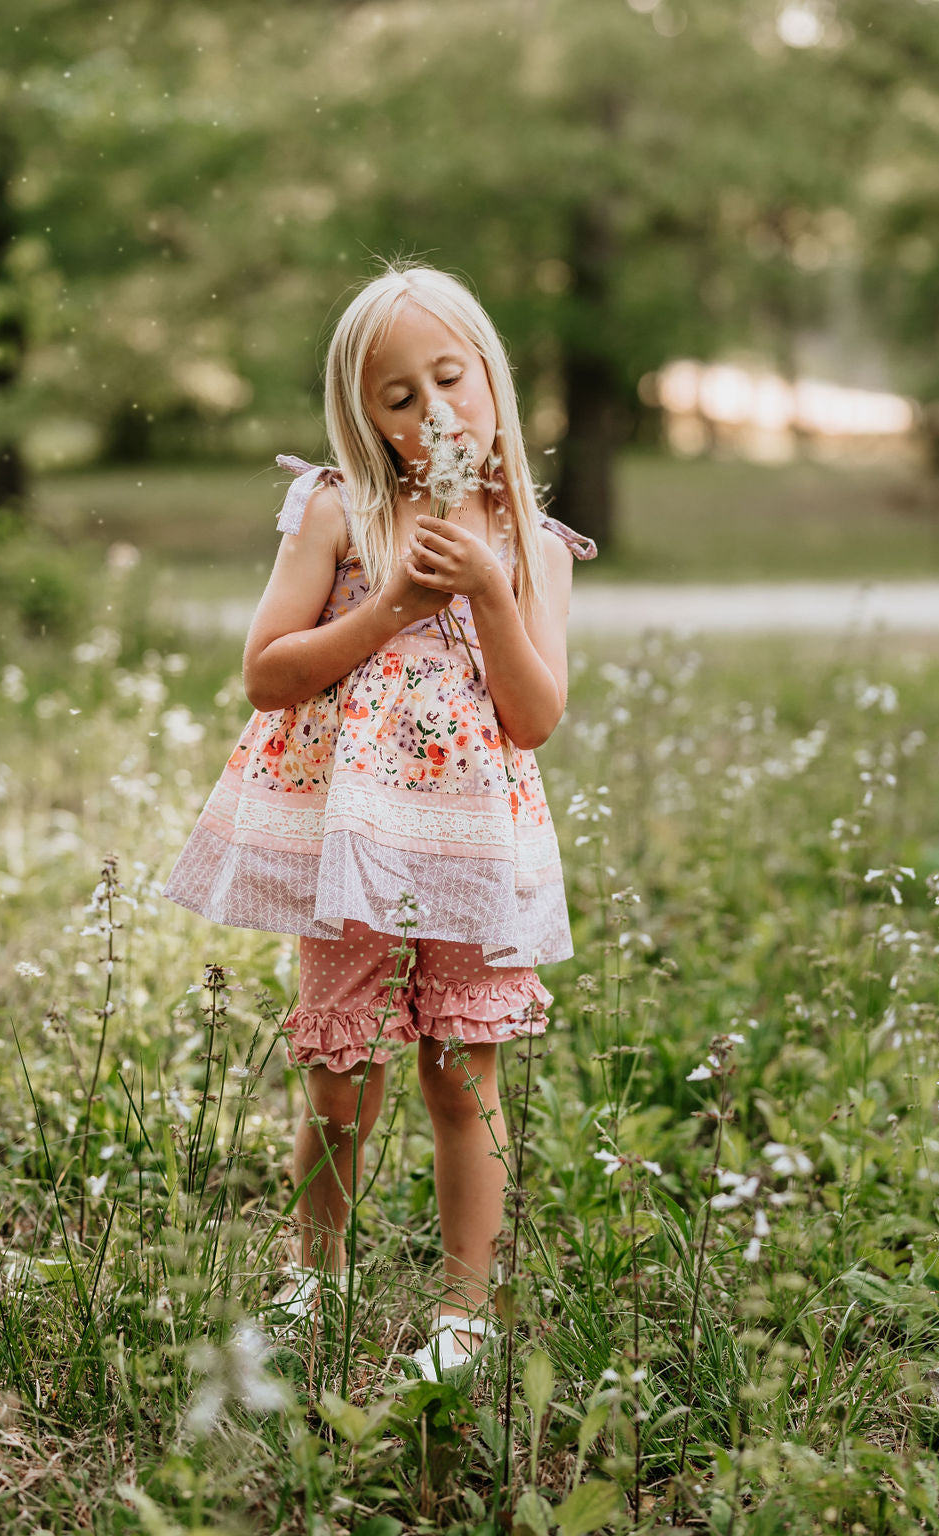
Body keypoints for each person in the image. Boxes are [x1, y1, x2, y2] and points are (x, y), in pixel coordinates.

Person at [162, 263, 596, 1377]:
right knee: (339, 1073)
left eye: (448, 379)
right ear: (366, 420)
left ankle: (463, 1310)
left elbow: (534, 714)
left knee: (463, 1071)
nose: (432, 412)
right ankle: (316, 1270)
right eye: (397, 399)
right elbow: (267, 673)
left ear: (490, 376)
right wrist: (396, 599)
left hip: (465, 844)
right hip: (352, 838)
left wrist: (490, 594)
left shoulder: (531, 545)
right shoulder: (338, 512)